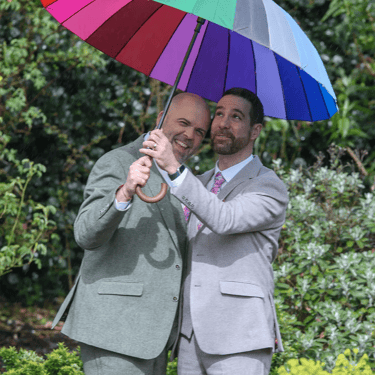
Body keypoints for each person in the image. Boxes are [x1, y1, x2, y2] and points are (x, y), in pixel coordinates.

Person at [51, 92, 211, 375]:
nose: (190, 135)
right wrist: (124, 191)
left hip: (157, 338)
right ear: (160, 118)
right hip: (114, 331)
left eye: (199, 131)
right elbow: (86, 234)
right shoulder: (117, 161)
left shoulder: (185, 179)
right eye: (183, 122)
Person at [142, 87, 289, 375]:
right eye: (219, 113)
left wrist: (172, 164)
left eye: (236, 116)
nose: (223, 122)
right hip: (189, 337)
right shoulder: (198, 182)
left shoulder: (268, 186)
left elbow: (224, 219)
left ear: (255, 130)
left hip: (239, 336)